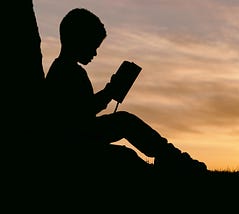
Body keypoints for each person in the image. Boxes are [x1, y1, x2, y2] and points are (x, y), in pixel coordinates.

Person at [44, 8, 207, 177]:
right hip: (72, 143)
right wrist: (110, 92)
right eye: (92, 45)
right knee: (125, 138)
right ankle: (173, 160)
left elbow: (82, 111)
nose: (95, 53)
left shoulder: (65, 70)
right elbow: (79, 115)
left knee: (124, 128)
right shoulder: (65, 72)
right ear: (78, 40)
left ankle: (171, 159)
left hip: (77, 139)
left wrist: (109, 92)